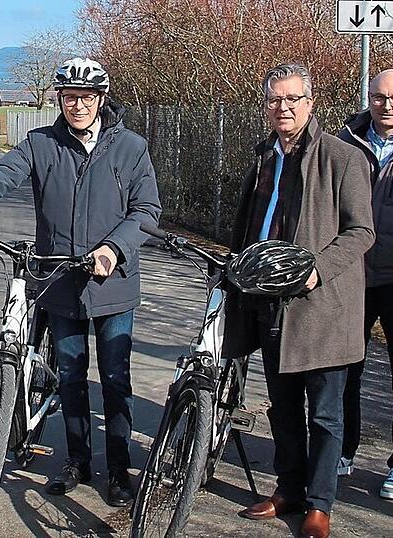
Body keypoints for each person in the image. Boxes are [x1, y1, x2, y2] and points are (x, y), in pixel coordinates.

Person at [0, 58, 161, 507]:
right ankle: (77, 461)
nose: (78, 105)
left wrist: (112, 249)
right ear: (58, 99)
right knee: (71, 377)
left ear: (101, 99)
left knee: (116, 379)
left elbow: (146, 212)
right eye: (69, 97)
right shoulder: (42, 143)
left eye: (87, 97)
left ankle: (119, 469)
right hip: (59, 281)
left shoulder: (131, 147)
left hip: (112, 282)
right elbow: (1, 176)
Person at [225, 64, 374, 538]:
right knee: (281, 407)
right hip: (271, 306)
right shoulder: (263, 156)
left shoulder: (342, 158)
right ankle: (288, 488)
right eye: (274, 100)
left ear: (310, 103)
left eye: (292, 99)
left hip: (324, 309)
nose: (282, 108)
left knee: (325, 414)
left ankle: (320, 505)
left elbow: (361, 231)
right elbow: (250, 224)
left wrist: (316, 270)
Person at [338, 68, 393, 500]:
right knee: (343, 369)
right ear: (368, 98)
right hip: (352, 275)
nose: (387, 105)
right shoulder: (344, 144)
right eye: (378, 96)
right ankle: (342, 450)